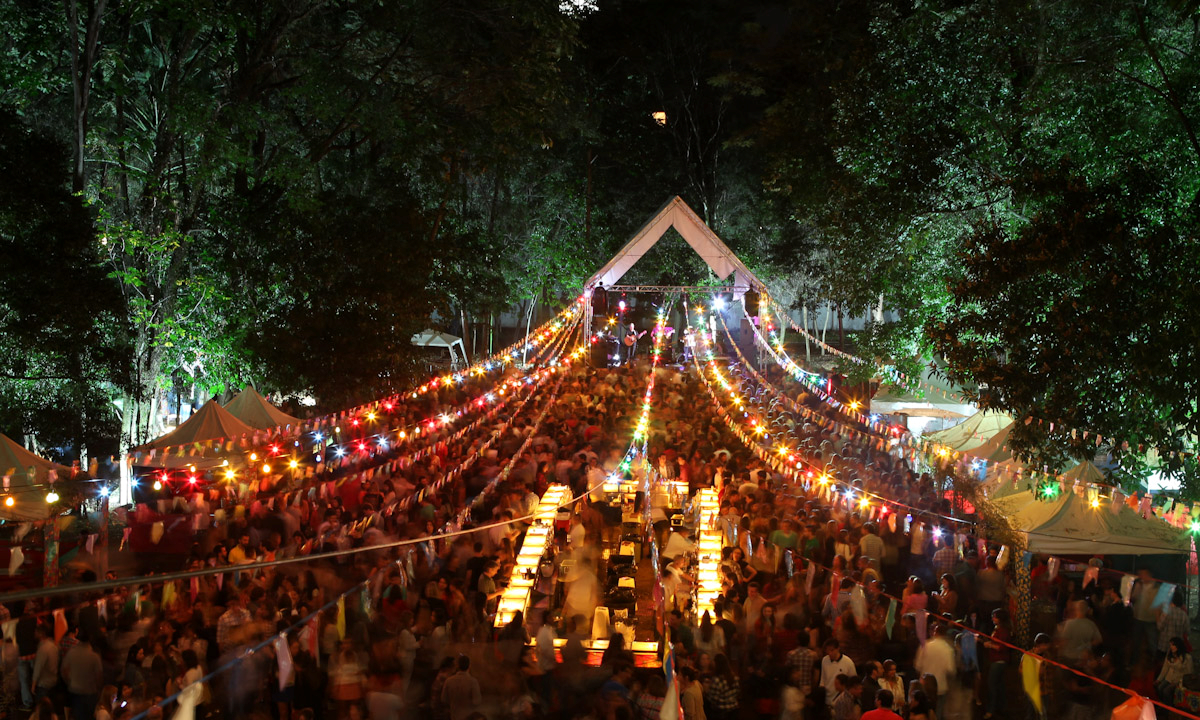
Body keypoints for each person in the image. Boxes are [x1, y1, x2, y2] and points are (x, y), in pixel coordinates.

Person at [61, 635, 104, 720]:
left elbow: (64, 671)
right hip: (90, 691)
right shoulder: (94, 657)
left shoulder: (71, 653)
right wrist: (98, 688)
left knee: (78, 715)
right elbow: (99, 676)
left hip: (75, 690)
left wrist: (69, 682)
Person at [441, 655, 482, 720]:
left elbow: (444, 700)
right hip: (468, 717)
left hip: (454, 717)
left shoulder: (449, 681)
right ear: (469, 666)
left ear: (458, 666)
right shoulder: (473, 682)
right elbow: (476, 702)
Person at [1155, 636, 1192, 703]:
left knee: (1166, 691)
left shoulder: (1187, 658)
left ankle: (1169, 706)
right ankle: (1163, 704)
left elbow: (1189, 672)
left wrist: (1181, 682)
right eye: (1170, 645)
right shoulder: (1169, 655)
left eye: (1173, 645)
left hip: (1179, 680)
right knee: (1160, 688)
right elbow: (1165, 668)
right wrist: (1159, 679)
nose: (1171, 647)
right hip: (1168, 678)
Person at [819, 639, 856, 705]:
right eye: (827, 650)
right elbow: (823, 679)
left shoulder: (848, 662)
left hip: (842, 700)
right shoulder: (825, 660)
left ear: (838, 649)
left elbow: (853, 682)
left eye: (832, 650)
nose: (830, 653)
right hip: (827, 699)